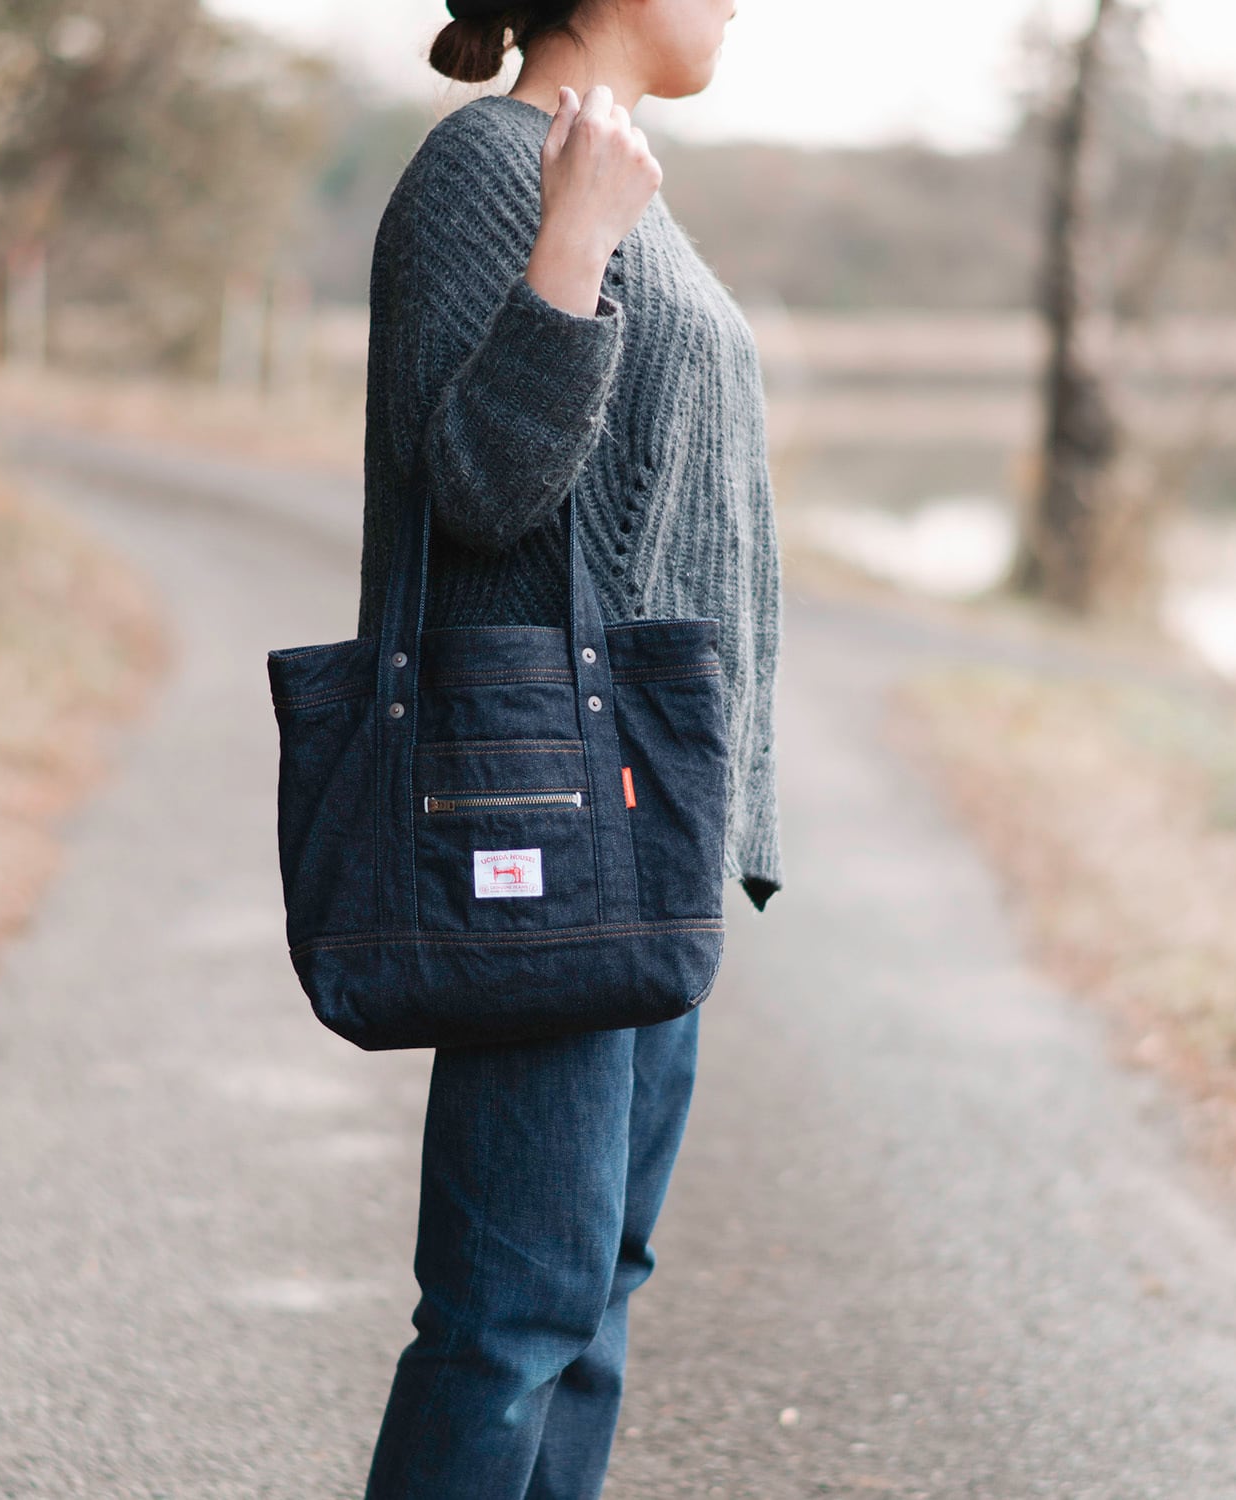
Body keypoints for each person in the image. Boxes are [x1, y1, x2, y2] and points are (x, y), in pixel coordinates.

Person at [355, 2, 783, 1495]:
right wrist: (576, 241)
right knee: (513, 1315)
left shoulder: (606, 173)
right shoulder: (488, 168)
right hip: (546, 823)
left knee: (589, 1303)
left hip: (649, 828)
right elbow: (480, 489)